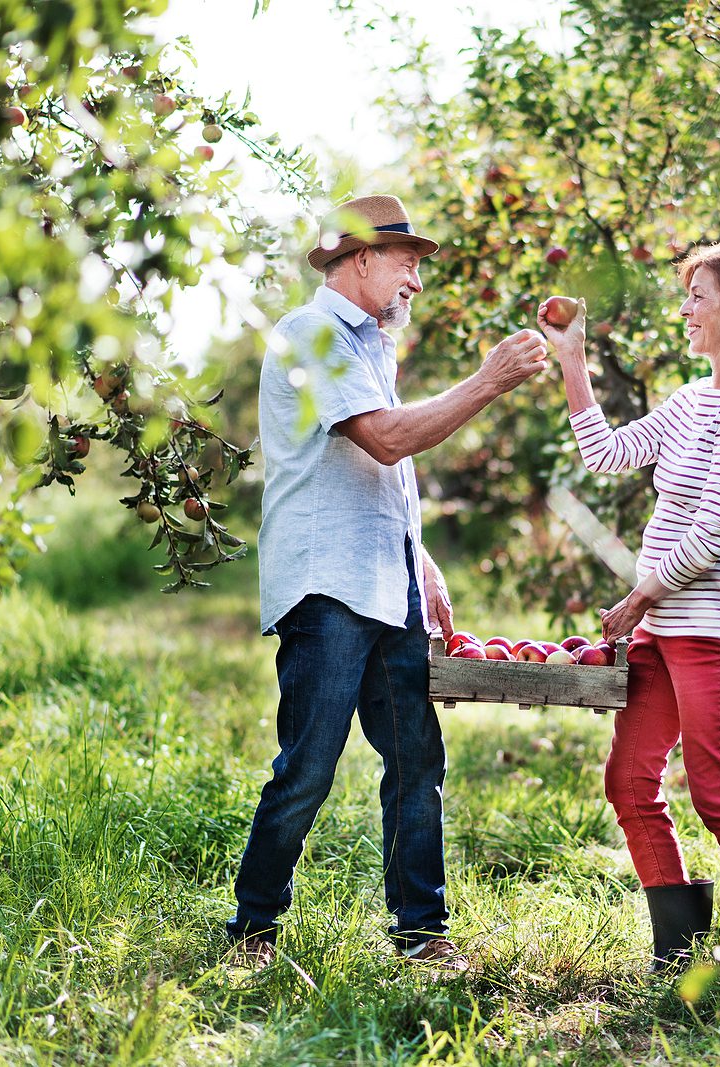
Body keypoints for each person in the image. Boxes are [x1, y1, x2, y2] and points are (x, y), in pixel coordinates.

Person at [227, 194, 549, 971]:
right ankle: (252, 932)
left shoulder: (372, 345)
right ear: (362, 259)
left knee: (416, 760)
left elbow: (387, 476)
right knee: (309, 763)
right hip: (330, 583)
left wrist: (423, 558)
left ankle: (421, 932)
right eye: (408, 262)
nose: (416, 279)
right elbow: (382, 439)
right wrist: (488, 381)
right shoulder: (313, 334)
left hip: (387, 578)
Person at [537, 239, 720, 982]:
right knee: (630, 779)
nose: (687, 309)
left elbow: (713, 530)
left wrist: (639, 594)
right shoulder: (693, 399)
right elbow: (605, 453)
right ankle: (678, 952)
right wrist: (572, 360)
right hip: (664, 622)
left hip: (713, 623)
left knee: (714, 786)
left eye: (700, 295)